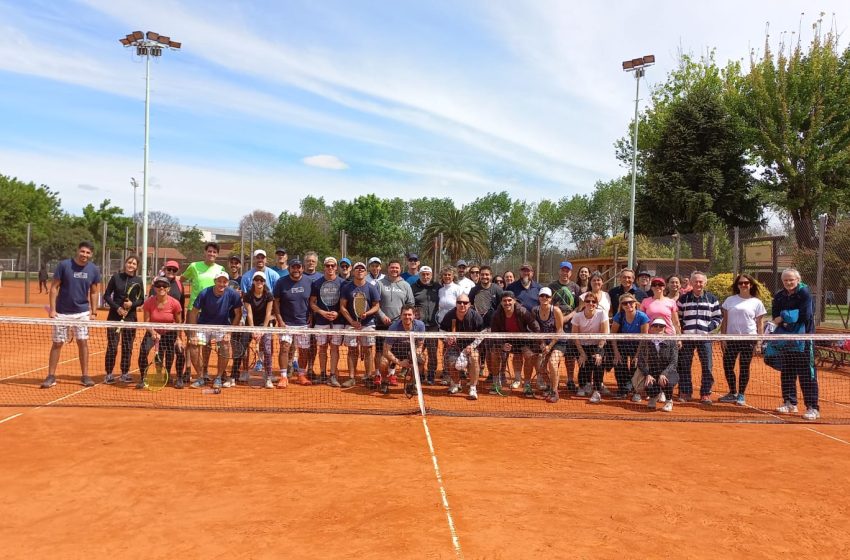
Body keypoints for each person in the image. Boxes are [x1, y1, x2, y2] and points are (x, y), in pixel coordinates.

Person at [40, 241, 102, 389]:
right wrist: (53, 310)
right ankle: (51, 376)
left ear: (91, 254)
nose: (84, 255)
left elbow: (94, 291)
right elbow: (54, 288)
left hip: (83, 313)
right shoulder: (64, 265)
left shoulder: (93, 269)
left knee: (83, 342)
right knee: (57, 343)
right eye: (82, 252)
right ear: (77, 251)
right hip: (61, 312)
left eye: (87, 253)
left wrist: (93, 311)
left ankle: (85, 375)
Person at [772, 268, 820, 420]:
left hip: (804, 340)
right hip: (786, 338)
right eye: (785, 280)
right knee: (787, 372)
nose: (788, 282)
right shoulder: (779, 296)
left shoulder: (804, 293)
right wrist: (786, 321)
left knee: (807, 374)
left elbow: (805, 315)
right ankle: (789, 403)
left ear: (798, 280)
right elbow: (775, 316)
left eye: (791, 280)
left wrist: (784, 318)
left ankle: (813, 408)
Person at [187, 271, 243, 390]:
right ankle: (201, 377)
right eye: (219, 281)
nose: (221, 284)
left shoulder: (233, 294)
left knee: (225, 346)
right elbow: (193, 313)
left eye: (224, 281)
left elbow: (238, 314)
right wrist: (193, 333)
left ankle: (218, 377)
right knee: (193, 345)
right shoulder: (204, 293)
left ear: (227, 283)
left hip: (222, 326)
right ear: (215, 281)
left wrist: (229, 332)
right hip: (203, 325)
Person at [719, 273, 766, 406]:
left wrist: (759, 342)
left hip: (748, 339)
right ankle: (732, 392)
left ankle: (741, 394)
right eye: (741, 283)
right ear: (737, 285)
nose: (743, 285)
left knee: (744, 367)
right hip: (731, 339)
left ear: (751, 285)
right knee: (728, 366)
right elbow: (725, 321)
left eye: (746, 283)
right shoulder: (730, 300)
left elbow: (760, 324)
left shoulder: (757, 302)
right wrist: (723, 338)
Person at [676, 271, 721, 404]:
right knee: (684, 365)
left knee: (707, 366)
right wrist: (684, 329)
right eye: (695, 281)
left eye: (701, 281)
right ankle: (685, 392)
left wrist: (708, 328)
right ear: (691, 283)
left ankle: (705, 393)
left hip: (704, 338)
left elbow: (718, 317)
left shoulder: (712, 299)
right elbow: (678, 317)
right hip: (687, 338)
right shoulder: (683, 299)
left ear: (705, 283)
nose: (698, 284)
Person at [489, 291, 541, 396]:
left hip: (522, 339)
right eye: (504, 301)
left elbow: (535, 326)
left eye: (509, 300)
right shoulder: (496, 315)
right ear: (501, 303)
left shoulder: (522, 311)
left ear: (514, 301)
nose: (507, 303)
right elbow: (494, 333)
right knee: (494, 353)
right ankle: (496, 383)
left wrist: (540, 341)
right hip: (505, 340)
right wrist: (501, 345)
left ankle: (527, 384)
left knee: (529, 356)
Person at [103, 255, 145, 385]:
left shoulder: (138, 280)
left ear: (137, 266)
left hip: (130, 318)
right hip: (114, 317)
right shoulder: (116, 277)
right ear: (125, 263)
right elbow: (107, 295)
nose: (131, 265)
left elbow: (141, 299)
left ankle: (124, 373)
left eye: (134, 263)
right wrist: (118, 308)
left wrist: (132, 304)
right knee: (112, 347)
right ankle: (109, 374)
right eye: (129, 262)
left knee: (127, 347)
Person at [339, 261, 382, 387]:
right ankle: (351, 377)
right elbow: (342, 306)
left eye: (362, 268)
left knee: (368, 350)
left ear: (365, 272)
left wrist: (367, 313)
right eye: (357, 268)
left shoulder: (371, 287)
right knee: (352, 350)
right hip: (351, 324)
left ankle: (368, 376)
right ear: (353, 271)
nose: (359, 270)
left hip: (368, 323)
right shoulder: (347, 287)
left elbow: (377, 306)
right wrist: (352, 321)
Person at [139, 276, 186, 387]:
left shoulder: (175, 303)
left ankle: (178, 378)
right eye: (158, 285)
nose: (161, 287)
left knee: (178, 352)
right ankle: (143, 378)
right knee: (142, 352)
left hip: (170, 333)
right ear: (155, 288)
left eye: (164, 286)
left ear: (168, 289)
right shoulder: (149, 302)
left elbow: (179, 323)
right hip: (153, 332)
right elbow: (146, 322)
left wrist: (179, 338)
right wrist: (153, 332)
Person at [273, 258, 312, 386]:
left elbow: (313, 301)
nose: (296, 270)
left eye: (298, 267)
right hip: (287, 323)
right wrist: (280, 320)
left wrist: (311, 315)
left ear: (302, 268)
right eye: (293, 267)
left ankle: (301, 375)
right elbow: (276, 302)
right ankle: (284, 377)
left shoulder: (309, 282)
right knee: (284, 348)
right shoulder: (281, 282)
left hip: (304, 323)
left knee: (304, 350)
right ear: (289, 268)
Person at [375, 260, 415, 384]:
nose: (394, 270)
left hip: (398, 325)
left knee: (394, 350)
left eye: (397, 268)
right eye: (392, 267)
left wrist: (402, 318)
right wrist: (382, 316)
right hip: (382, 323)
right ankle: (378, 375)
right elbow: (375, 304)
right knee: (379, 350)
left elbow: (411, 304)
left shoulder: (405, 285)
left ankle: (392, 374)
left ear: (400, 269)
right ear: (388, 268)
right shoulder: (379, 283)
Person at [439, 294, 484, 399]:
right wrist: (447, 338)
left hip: (471, 346)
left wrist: (472, 346)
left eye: (465, 303)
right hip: (455, 346)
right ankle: (456, 384)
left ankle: (473, 387)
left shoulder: (475, 316)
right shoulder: (449, 315)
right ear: (456, 304)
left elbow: (482, 334)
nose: (462, 305)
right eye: (459, 302)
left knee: (474, 358)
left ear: (469, 304)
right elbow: (441, 331)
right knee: (450, 361)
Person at [310, 257, 346, 386]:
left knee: (335, 348)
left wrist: (338, 313)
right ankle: (323, 374)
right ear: (324, 267)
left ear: (336, 267)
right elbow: (312, 303)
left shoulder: (343, 283)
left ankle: (332, 375)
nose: (330, 268)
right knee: (322, 348)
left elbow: (345, 304)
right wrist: (322, 312)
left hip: (338, 321)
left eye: (332, 265)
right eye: (327, 265)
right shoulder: (316, 283)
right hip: (321, 321)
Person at [378, 304, 426, 395]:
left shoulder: (420, 326)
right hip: (395, 352)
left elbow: (420, 345)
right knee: (383, 362)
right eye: (404, 315)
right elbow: (386, 350)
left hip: (410, 351)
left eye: (409, 314)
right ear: (400, 315)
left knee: (422, 359)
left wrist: (414, 356)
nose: (407, 317)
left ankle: (411, 384)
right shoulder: (394, 328)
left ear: (414, 316)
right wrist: (400, 362)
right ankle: (384, 382)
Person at [547, 261, 580, 392]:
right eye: (563, 270)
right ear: (559, 271)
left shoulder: (575, 287)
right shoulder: (552, 286)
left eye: (567, 270)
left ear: (570, 273)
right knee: (555, 355)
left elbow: (578, 307)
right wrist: (559, 319)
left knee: (570, 356)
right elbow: (549, 304)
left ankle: (570, 380)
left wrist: (568, 317)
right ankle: (553, 382)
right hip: (555, 326)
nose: (565, 273)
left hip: (571, 326)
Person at [611, 293, 650, 400]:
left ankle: (635, 391)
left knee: (636, 366)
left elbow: (644, 338)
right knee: (619, 365)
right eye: (625, 303)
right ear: (622, 306)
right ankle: (622, 390)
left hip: (638, 345)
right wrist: (616, 353)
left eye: (631, 302)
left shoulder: (642, 317)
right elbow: (612, 335)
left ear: (635, 303)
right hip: (622, 344)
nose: (628, 305)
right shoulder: (619, 316)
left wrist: (637, 355)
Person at [572, 290, 609, 403]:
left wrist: (599, 352)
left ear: (596, 303)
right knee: (583, 363)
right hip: (582, 345)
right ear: (584, 303)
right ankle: (584, 385)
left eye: (594, 301)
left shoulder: (602, 314)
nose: (591, 303)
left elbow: (604, 335)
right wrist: (582, 353)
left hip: (598, 344)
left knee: (598, 362)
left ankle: (597, 390)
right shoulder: (577, 316)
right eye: (588, 301)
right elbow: (575, 336)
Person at [635, 318, 679, 412]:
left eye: (661, 326)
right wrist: (647, 374)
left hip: (669, 372)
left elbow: (674, 362)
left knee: (667, 382)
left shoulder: (671, 341)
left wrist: (664, 373)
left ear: (664, 328)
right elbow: (641, 361)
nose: (658, 328)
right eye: (655, 326)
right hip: (652, 372)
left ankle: (668, 401)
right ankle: (653, 397)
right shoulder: (646, 342)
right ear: (651, 328)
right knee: (648, 384)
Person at [533, 287, 566, 403]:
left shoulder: (556, 310)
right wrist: (542, 344)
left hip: (558, 342)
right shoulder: (535, 310)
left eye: (547, 296)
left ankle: (554, 391)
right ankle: (549, 385)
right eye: (542, 296)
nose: (544, 298)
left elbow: (560, 330)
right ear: (539, 298)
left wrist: (550, 346)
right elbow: (536, 330)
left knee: (553, 362)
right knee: (540, 367)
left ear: (551, 299)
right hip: (544, 342)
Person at [411, 265, 440, 384]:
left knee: (433, 352)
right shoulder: (413, 287)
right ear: (419, 275)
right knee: (418, 351)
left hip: (433, 326)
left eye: (428, 274)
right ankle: (420, 374)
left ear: (431, 275)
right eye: (423, 274)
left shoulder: (437, 287)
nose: (425, 276)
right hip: (419, 326)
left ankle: (431, 375)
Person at [182, 242, 225, 310]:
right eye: (209, 251)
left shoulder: (221, 269)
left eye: (214, 252)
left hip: (213, 307)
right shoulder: (193, 266)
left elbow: (223, 287)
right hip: (195, 307)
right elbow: (181, 279)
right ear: (205, 252)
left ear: (217, 254)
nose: (212, 254)